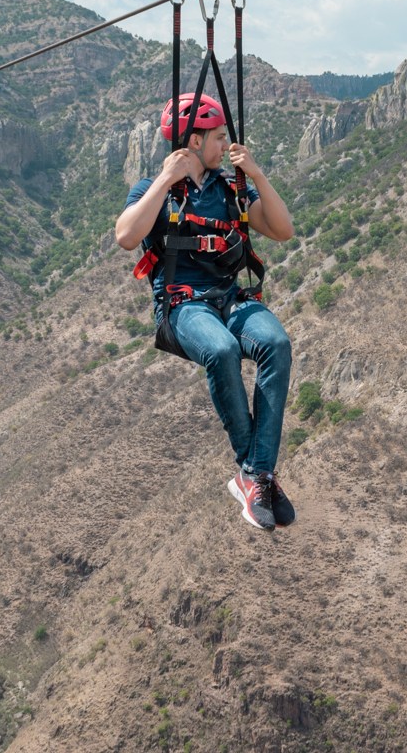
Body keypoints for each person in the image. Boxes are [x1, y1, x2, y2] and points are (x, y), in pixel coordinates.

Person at [115, 93, 297, 531]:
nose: (225, 146)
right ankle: (255, 471)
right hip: (182, 303)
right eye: (218, 137)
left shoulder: (231, 187)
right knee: (220, 350)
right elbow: (126, 235)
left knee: (276, 343)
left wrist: (256, 174)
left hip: (229, 296)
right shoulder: (152, 188)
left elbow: (282, 230)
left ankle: (255, 475)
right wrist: (164, 180)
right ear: (194, 142)